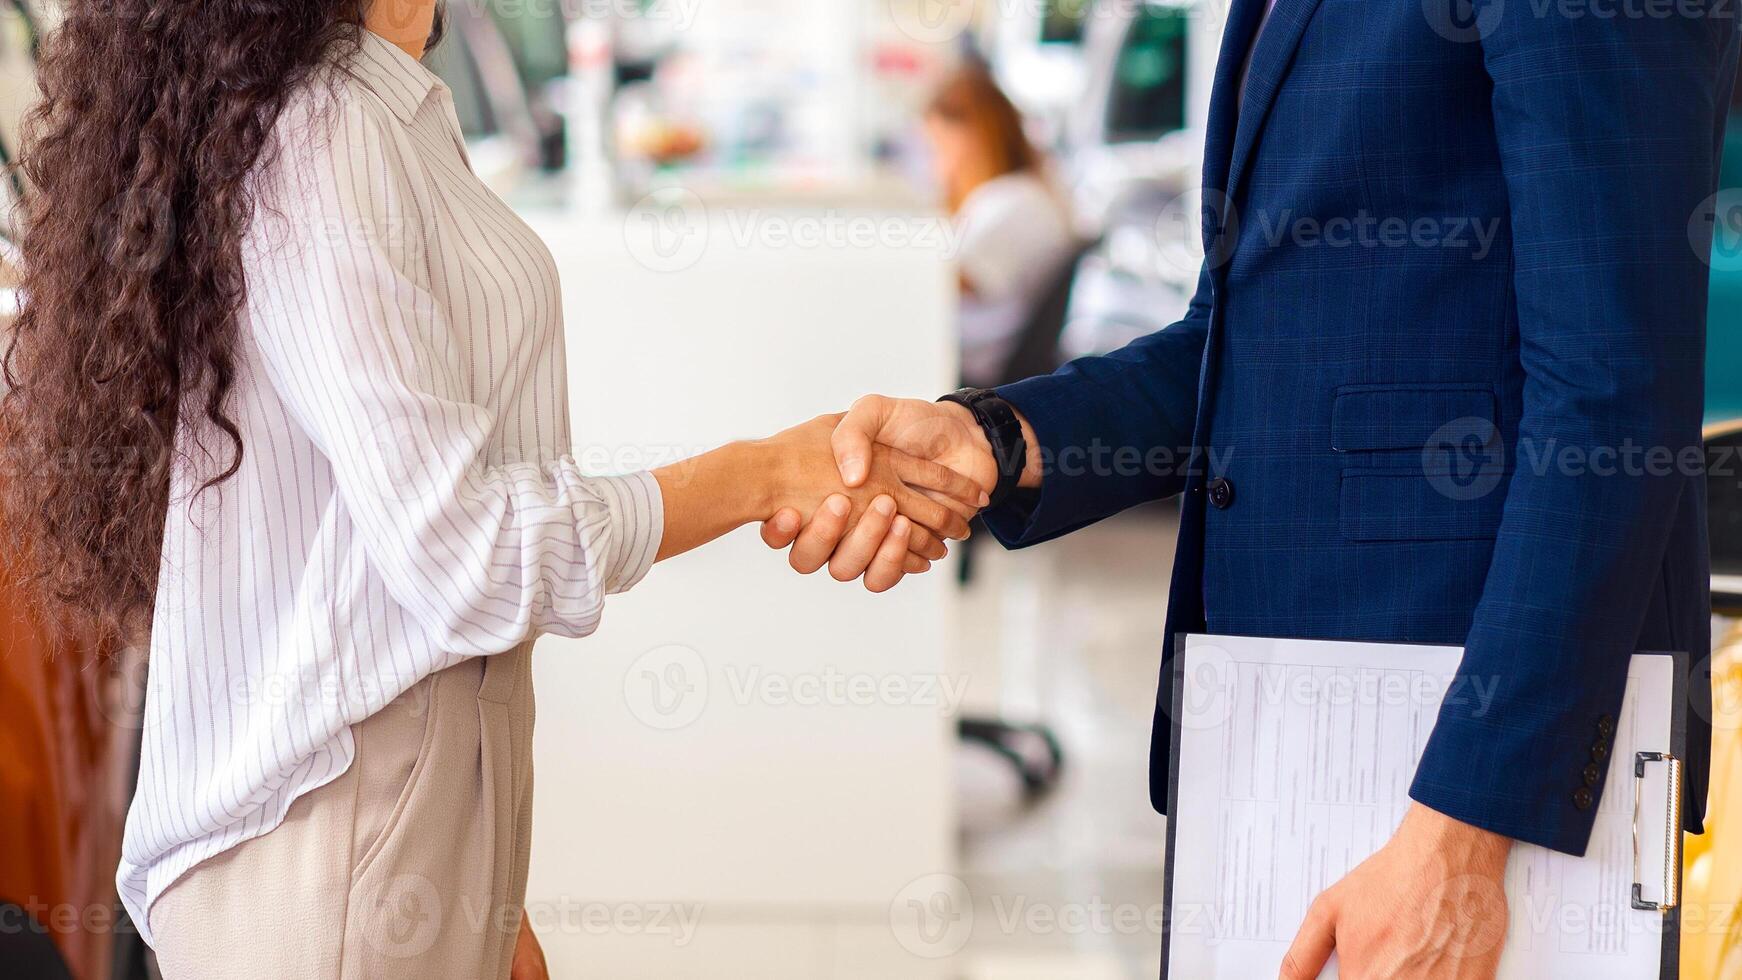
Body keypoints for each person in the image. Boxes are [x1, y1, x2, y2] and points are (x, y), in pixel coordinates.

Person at [0, 2, 978, 977]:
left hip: (396, 841)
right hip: (329, 857)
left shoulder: (380, 110)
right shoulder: (323, 129)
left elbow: (374, 539)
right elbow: (464, 553)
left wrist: (485, 884)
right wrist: (763, 470)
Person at [765, 1, 1740, 976]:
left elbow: (1611, 395)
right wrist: (996, 438)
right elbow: (1246, 345)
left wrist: (1463, 832)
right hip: (1286, 728)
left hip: (1462, 761)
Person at [922, 62, 1077, 388]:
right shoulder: (1026, 191)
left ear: (972, 136)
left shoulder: (1012, 203)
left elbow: (943, 281)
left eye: (938, 144)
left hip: (976, 363)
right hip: (976, 350)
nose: (935, 159)